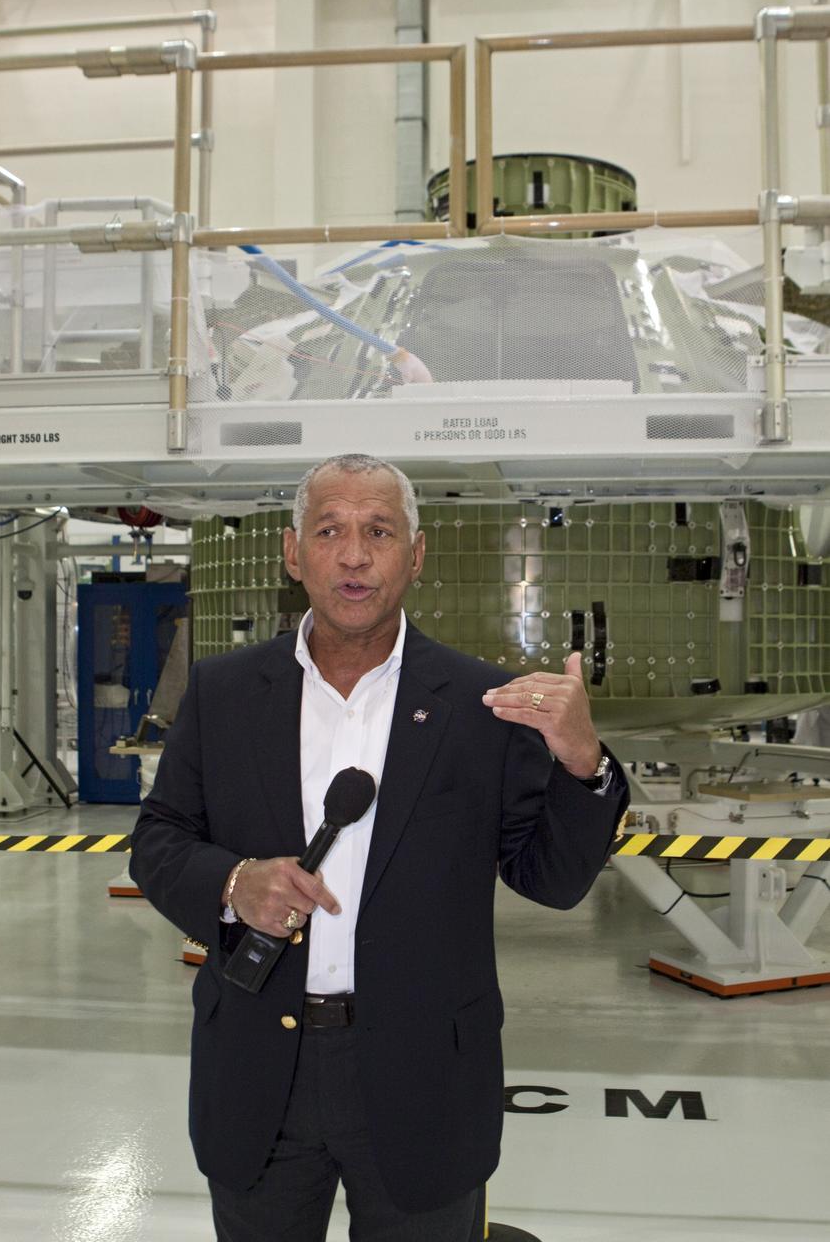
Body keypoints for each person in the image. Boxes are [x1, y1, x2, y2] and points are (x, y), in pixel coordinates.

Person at [130, 453, 628, 1242]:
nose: (353, 555)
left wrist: (581, 761)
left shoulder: (477, 704)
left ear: (415, 555)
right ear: (294, 555)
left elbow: (553, 879)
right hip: (260, 1068)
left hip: (423, 1073)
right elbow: (156, 840)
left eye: (378, 531)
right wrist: (232, 883)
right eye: (328, 531)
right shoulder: (224, 692)